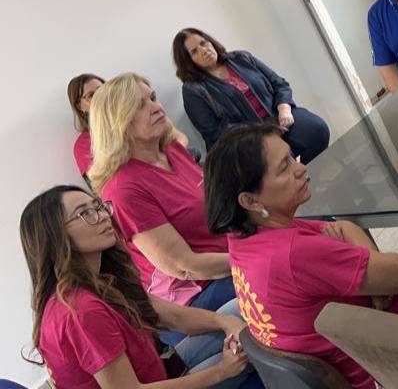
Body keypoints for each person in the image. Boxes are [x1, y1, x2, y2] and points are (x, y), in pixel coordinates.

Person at [204, 122, 398, 389]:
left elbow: (345, 227)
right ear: (251, 201)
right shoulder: (292, 253)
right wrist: (377, 284)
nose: (301, 168)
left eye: (292, 157)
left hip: (363, 338)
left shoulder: (243, 239)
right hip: (391, 358)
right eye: (284, 167)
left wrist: (371, 280)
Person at [19, 185, 259, 388]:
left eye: (98, 207)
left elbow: (174, 316)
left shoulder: (103, 278)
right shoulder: (81, 310)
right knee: (254, 354)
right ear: (55, 236)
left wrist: (225, 322)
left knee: (239, 311)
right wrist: (221, 371)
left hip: (160, 372)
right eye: (85, 213)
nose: (103, 216)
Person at [89, 73, 239, 353]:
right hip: (196, 296)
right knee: (289, 270)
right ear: (117, 122)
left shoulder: (170, 150)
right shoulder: (123, 189)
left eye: (153, 98)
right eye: (140, 105)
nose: (156, 107)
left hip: (228, 259)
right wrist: (253, 254)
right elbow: (184, 266)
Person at [173, 28, 329, 163]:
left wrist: (284, 108)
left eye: (204, 43)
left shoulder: (241, 58)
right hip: (247, 140)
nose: (204, 50)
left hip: (277, 115)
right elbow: (216, 132)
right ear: (188, 61)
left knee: (317, 130)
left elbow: (279, 83)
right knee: (281, 160)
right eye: (194, 52)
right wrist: (264, 131)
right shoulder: (193, 90)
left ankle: (311, 175)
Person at [68, 73, 104, 178]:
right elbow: (99, 184)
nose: (100, 97)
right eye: (91, 95)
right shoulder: (84, 145)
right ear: (80, 107)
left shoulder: (134, 122)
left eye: (102, 90)